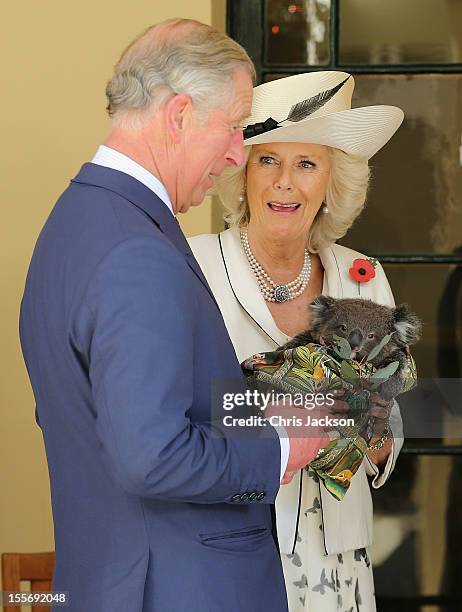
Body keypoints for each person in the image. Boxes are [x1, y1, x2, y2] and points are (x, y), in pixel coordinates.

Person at [19, 20, 334, 611]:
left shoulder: (74, 223)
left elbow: (120, 415)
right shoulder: (138, 251)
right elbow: (151, 454)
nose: (239, 153)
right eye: (236, 126)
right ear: (180, 114)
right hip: (175, 590)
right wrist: (281, 449)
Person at [189, 70, 405, 611]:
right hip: (229, 549)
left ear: (333, 184)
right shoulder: (192, 268)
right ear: (242, 176)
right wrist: (299, 411)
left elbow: (391, 425)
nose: (284, 182)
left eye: (306, 163)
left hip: (336, 563)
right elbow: (174, 413)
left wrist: (374, 424)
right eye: (268, 160)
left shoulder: (364, 275)